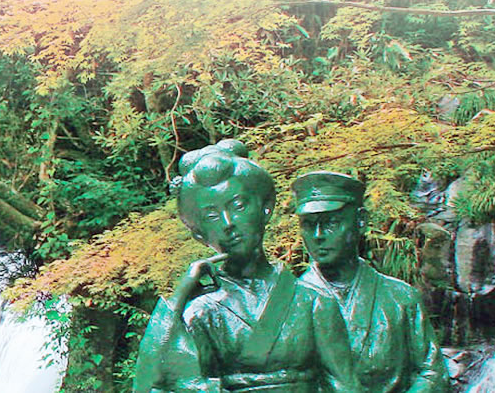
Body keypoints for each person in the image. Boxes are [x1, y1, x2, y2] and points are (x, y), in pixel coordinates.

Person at [134, 141, 359, 393]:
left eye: (238, 206)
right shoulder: (200, 312)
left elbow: (344, 386)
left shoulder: (313, 301)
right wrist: (180, 295)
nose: (228, 223)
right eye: (211, 215)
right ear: (199, 235)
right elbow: (151, 384)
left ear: (266, 208)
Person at [293, 171, 447, 393]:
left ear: (361, 221)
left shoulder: (401, 298)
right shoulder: (287, 303)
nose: (317, 235)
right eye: (308, 224)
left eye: (331, 223)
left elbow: (433, 373)